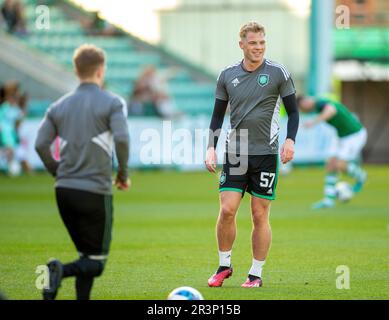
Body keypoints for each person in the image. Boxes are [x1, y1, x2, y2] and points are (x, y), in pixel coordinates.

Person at [205, 22, 299, 288]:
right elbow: (216, 115)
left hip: (266, 152)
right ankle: (224, 265)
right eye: (253, 43)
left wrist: (290, 140)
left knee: (259, 215)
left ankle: (255, 274)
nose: (258, 48)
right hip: (236, 150)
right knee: (227, 209)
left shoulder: (278, 72)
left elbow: (293, 112)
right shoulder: (226, 75)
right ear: (242, 44)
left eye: (262, 43)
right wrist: (210, 147)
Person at [35, 44, 130, 300]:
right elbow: (121, 139)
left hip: (63, 191)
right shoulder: (111, 102)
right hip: (95, 191)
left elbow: (40, 144)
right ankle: (57, 271)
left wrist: (57, 171)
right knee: (96, 263)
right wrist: (122, 173)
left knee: (86, 256)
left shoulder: (58, 107)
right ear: (100, 70)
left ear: (77, 71)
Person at [297, 95, 367, 209]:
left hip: (354, 134)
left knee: (339, 165)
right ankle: (328, 200)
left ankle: (361, 175)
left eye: (302, 107)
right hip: (342, 136)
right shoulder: (317, 107)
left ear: (306, 102)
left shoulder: (320, 103)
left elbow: (331, 110)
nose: (304, 110)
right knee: (330, 164)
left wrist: (314, 122)